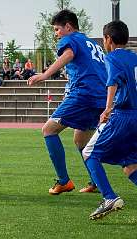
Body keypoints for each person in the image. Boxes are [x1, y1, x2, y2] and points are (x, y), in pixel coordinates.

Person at [28, 10, 108, 195]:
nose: (56, 34)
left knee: (48, 129)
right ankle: (96, 182)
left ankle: (64, 181)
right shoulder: (91, 43)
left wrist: (46, 74)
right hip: (100, 96)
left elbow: (69, 54)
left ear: (68, 27)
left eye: (57, 29)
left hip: (84, 94)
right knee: (81, 140)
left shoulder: (69, 40)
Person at [82, 20, 137, 220]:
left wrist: (106, 109)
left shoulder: (112, 57)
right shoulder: (134, 58)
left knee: (89, 153)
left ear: (108, 39)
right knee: (131, 166)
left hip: (123, 115)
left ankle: (109, 197)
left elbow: (112, 82)